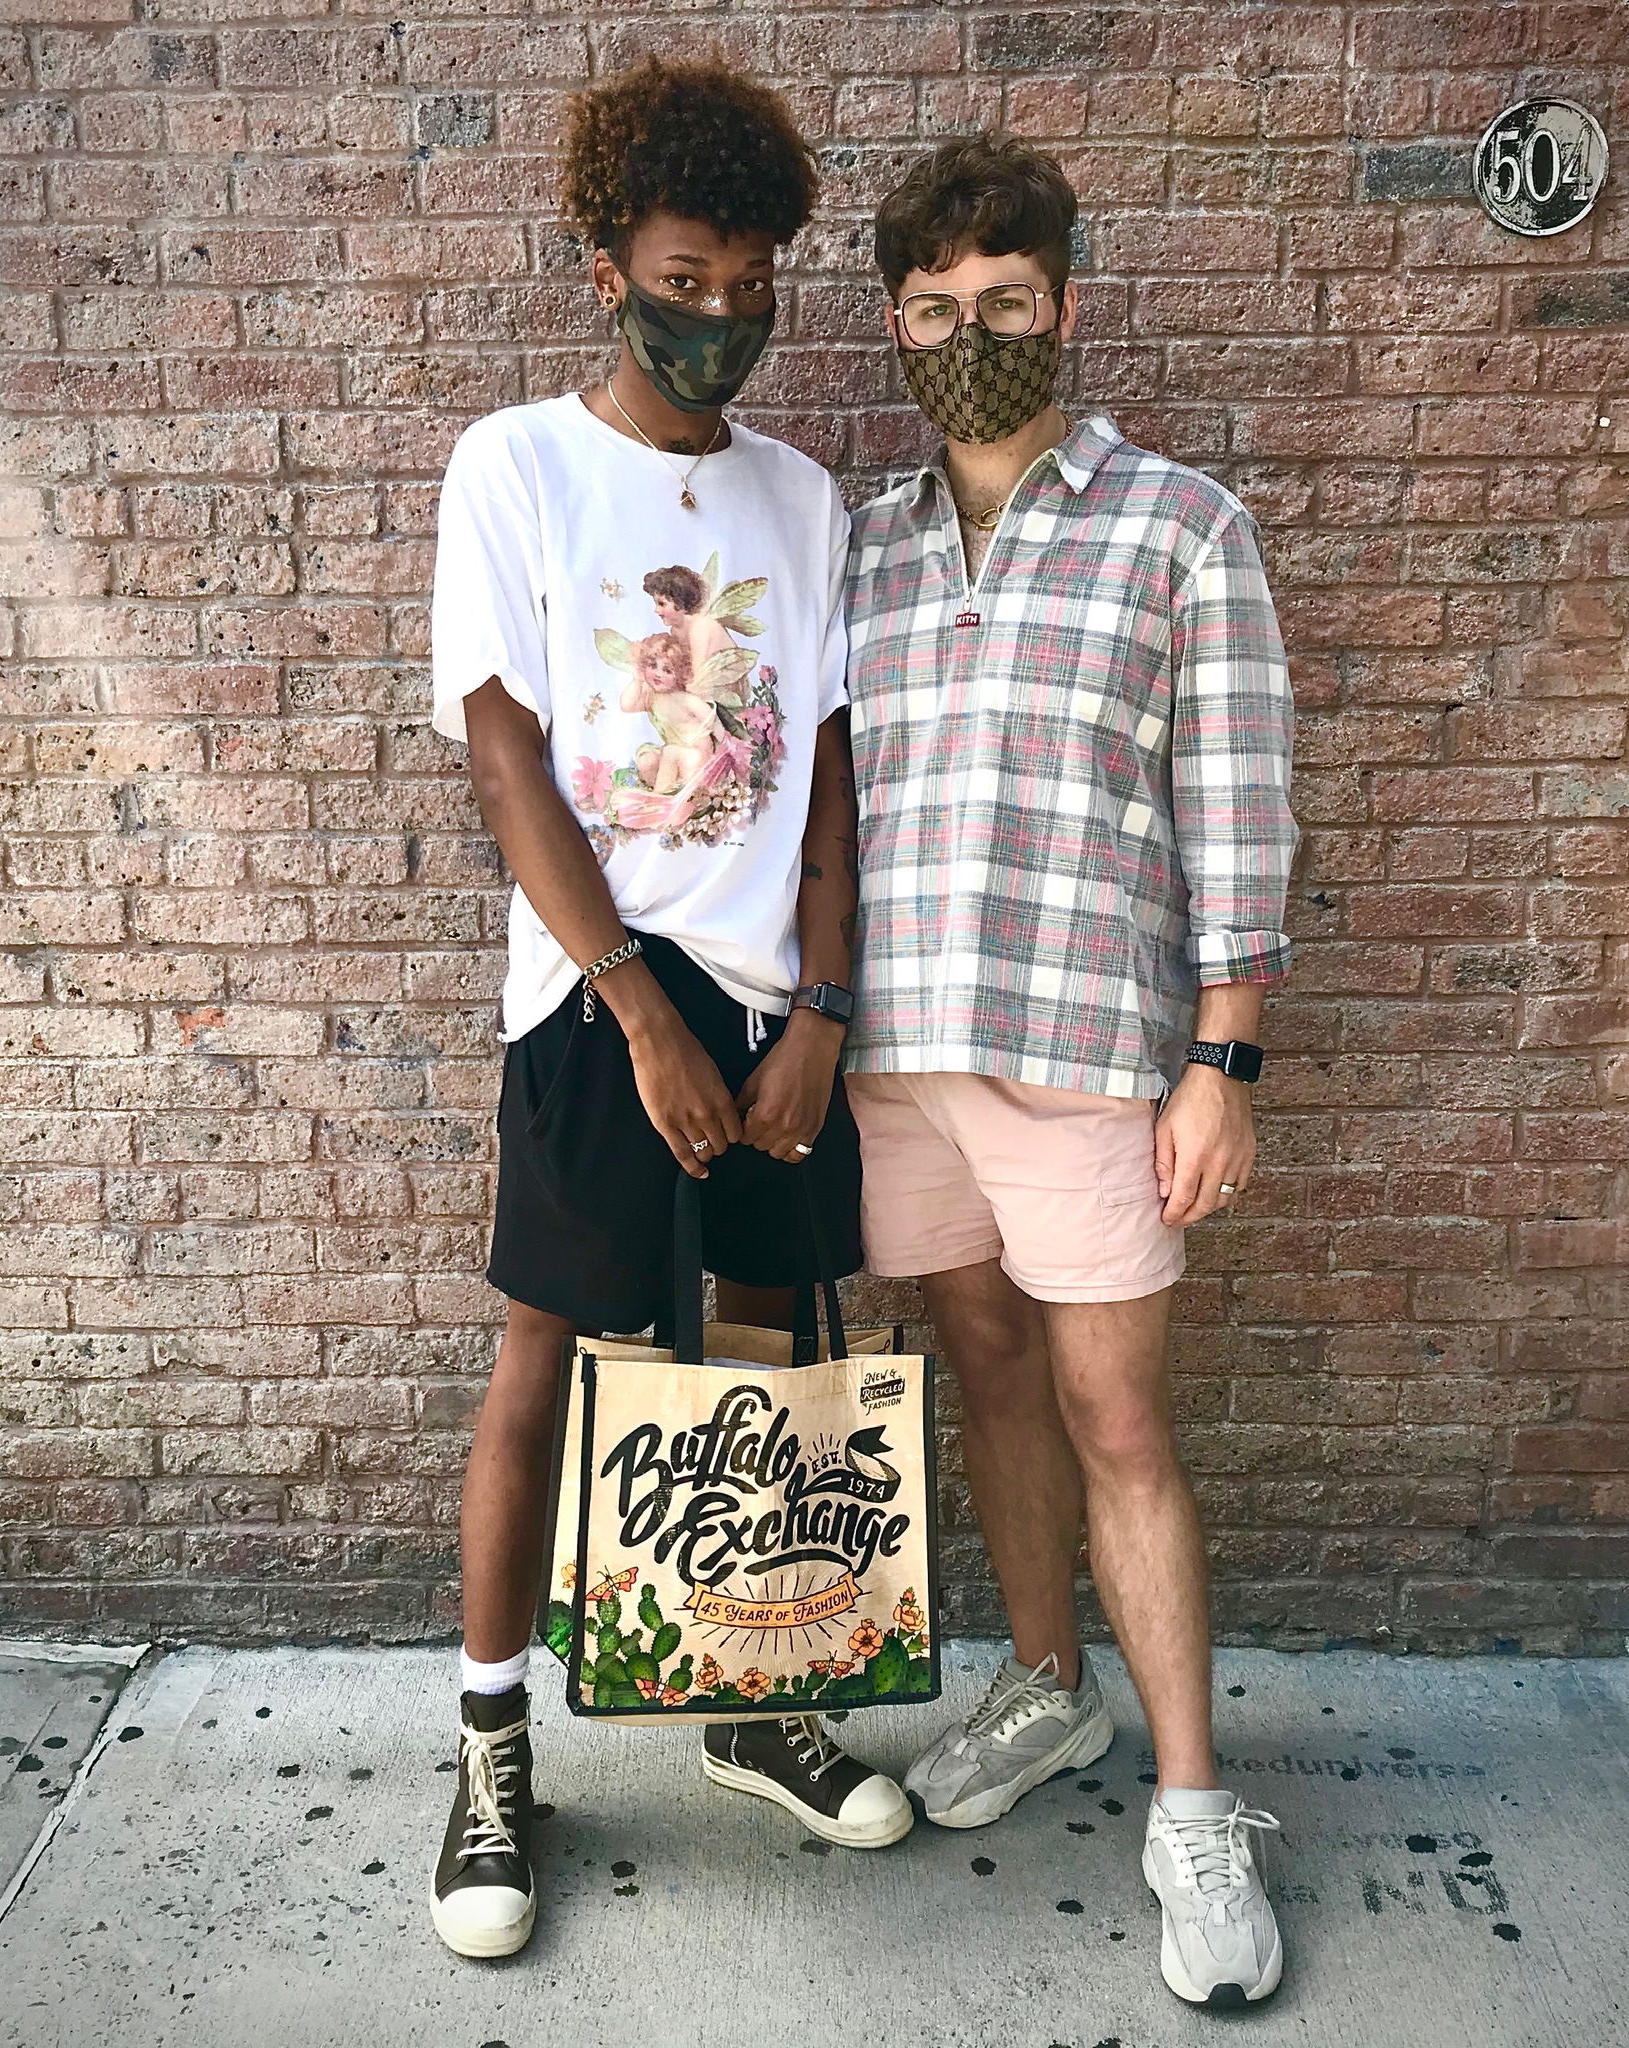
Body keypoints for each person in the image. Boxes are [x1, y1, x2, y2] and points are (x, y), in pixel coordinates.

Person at [426, 57, 910, 1962]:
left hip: (772, 1005)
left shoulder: (805, 498)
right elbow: (504, 756)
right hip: (589, 1002)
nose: (722, 315)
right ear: (603, 259)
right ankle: (486, 1749)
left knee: (767, 1355)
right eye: (686, 275)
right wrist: (631, 1006)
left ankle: (743, 1697)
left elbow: (837, 779)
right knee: (546, 1357)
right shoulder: (515, 465)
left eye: (754, 281)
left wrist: (826, 1011)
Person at [842, 136, 1299, 2009]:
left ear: (1065, 303)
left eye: (1004, 304)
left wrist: (1224, 1062)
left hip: (1089, 1058)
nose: (971, 337)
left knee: (1118, 1425)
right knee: (988, 1376)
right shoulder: (855, 542)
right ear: (897, 323)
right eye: (935, 312)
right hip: (898, 1061)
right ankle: (1046, 1692)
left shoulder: (1179, 525)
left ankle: (1192, 1809)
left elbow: (1241, 810)